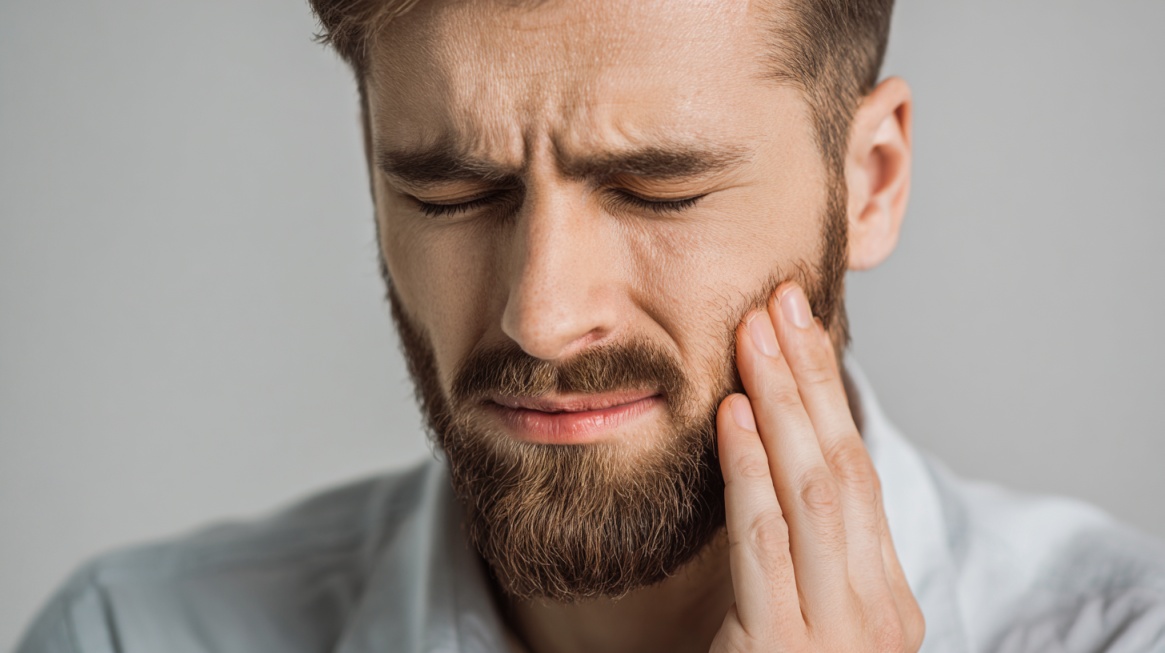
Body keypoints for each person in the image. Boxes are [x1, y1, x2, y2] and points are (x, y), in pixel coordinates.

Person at [15, 1, 1165, 651]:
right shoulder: (129, 635)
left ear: (869, 182)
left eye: (658, 190)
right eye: (448, 194)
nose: (543, 315)